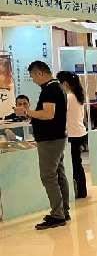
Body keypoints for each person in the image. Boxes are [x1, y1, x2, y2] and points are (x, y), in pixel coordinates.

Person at [16, 61, 70, 230]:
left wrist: (26, 112)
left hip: (50, 140)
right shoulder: (56, 87)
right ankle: (63, 211)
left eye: (32, 76)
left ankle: (57, 215)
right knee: (58, 174)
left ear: (39, 73)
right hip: (56, 138)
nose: (33, 80)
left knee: (48, 176)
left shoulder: (50, 89)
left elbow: (48, 114)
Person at [56, 71, 88, 199]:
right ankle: (81, 191)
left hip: (72, 135)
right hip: (80, 132)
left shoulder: (69, 97)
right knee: (77, 163)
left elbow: (60, 116)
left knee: (74, 164)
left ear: (65, 83)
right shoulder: (77, 96)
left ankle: (80, 191)